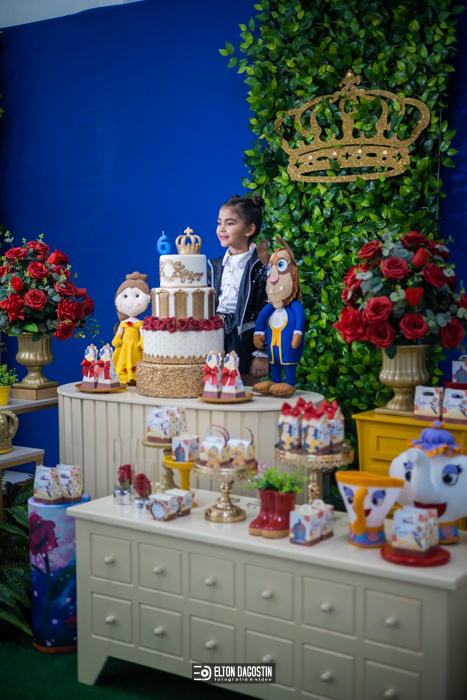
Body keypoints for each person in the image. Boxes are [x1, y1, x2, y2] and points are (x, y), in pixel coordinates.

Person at [209, 193, 269, 383]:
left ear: (249, 229)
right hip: (216, 335)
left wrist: (262, 352)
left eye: (230, 223)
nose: (222, 229)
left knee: (245, 387)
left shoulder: (261, 267)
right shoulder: (215, 266)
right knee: (214, 384)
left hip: (246, 339)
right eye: (219, 223)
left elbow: (269, 310)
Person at [112, 271, 151, 384]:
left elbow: (142, 333)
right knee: (123, 360)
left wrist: (142, 341)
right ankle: (124, 377)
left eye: (137, 296)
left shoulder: (140, 323)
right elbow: (119, 333)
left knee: (135, 360)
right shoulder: (123, 323)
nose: (129, 302)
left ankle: (134, 377)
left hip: (135, 346)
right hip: (124, 345)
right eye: (125, 296)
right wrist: (117, 339)